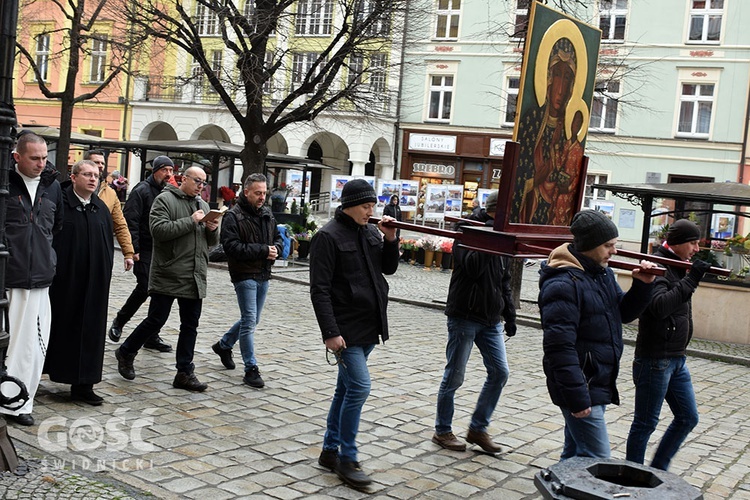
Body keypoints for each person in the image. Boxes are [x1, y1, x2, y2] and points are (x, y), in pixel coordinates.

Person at [538, 210, 656, 460]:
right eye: (608, 245)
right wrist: (578, 398)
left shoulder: (601, 273)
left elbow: (623, 313)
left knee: (575, 457)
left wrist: (643, 286)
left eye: (614, 244)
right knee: (598, 460)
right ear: (590, 246)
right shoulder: (562, 283)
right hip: (582, 385)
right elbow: (559, 348)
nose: (613, 251)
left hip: (595, 381)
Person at [310, 179, 399, 489]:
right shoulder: (327, 237)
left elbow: (388, 269)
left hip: (369, 325)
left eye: (372, 205)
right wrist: (330, 333)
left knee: (345, 391)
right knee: (360, 387)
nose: (371, 211)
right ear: (349, 205)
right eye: (365, 206)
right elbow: (319, 290)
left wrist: (390, 239)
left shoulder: (371, 231)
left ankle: (329, 450)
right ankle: (348, 458)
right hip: (344, 330)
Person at [115, 166, 219, 392]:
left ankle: (184, 372)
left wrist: (212, 228)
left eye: (204, 182)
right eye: (197, 181)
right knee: (156, 319)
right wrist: (191, 221)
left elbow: (209, 242)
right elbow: (159, 230)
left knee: (190, 325)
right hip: (169, 271)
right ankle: (126, 351)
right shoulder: (165, 200)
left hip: (194, 274)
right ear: (184, 179)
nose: (201, 185)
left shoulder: (203, 204)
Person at [432, 191, 516, 453]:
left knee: (500, 372)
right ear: (495, 211)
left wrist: (510, 315)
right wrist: (489, 238)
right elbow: (471, 268)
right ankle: (442, 431)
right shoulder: (466, 230)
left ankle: (478, 428)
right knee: (455, 376)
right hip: (465, 315)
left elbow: (504, 280)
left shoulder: (502, 235)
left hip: (491, 319)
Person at [626, 219, 710, 470]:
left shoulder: (679, 265)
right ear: (678, 242)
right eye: (693, 243)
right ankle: (632, 475)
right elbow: (660, 307)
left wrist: (688, 276)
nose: (696, 249)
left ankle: (657, 470)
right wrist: (691, 279)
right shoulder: (657, 265)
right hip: (655, 359)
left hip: (676, 358)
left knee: (687, 417)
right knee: (645, 423)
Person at [0, 133, 63, 426]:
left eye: (44, 158)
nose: (41, 164)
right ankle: (5, 400)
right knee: (10, 344)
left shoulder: (52, 189)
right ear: (17, 157)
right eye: (34, 158)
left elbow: (55, 227)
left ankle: (22, 402)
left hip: (40, 277)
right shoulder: (5, 185)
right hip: (10, 277)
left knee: (35, 347)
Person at [44, 160, 114, 405]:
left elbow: (106, 245)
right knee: (61, 328)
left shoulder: (101, 208)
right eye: (87, 174)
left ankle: (84, 384)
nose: (93, 179)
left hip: (94, 284)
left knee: (91, 333)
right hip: (65, 283)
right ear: (74, 177)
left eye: (96, 175)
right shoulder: (61, 204)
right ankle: (48, 373)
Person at [211, 173, 283, 388]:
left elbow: (277, 237)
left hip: (263, 273)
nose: (262, 197)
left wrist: (276, 249)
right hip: (244, 275)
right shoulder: (234, 216)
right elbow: (231, 247)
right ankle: (250, 368)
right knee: (249, 320)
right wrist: (263, 250)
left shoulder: (267, 212)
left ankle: (224, 345)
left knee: (252, 319)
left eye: (264, 193)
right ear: (247, 191)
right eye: (258, 193)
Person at [108, 156, 175, 353]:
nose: (169, 174)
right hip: (144, 248)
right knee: (145, 287)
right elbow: (131, 221)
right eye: (165, 170)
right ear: (155, 171)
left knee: (160, 290)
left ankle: (152, 334)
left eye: (171, 171)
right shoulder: (141, 191)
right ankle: (120, 320)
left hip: (161, 249)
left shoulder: (168, 191)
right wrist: (133, 249)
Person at [514, 38, 584, 226]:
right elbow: (517, 181)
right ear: (548, 79)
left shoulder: (567, 131)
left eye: (568, 78)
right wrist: (536, 179)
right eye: (558, 76)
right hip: (530, 212)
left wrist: (564, 186)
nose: (561, 90)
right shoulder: (531, 121)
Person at [84, 150, 134, 272]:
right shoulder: (72, 189)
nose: (100, 166)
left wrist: (128, 253)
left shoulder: (110, 193)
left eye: (102, 163)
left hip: (100, 250)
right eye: (96, 162)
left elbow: (120, 224)